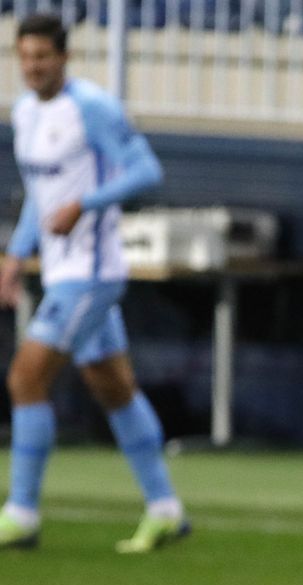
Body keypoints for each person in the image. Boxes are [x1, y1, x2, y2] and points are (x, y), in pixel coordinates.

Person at [0, 13, 185, 553]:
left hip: (92, 272)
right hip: (61, 269)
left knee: (26, 378)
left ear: (64, 57)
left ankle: (21, 512)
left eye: (42, 56)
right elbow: (40, 196)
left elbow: (146, 170)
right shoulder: (26, 112)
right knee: (113, 386)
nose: (33, 66)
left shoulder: (93, 107)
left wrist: (86, 204)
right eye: (24, 57)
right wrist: (16, 255)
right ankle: (166, 510)